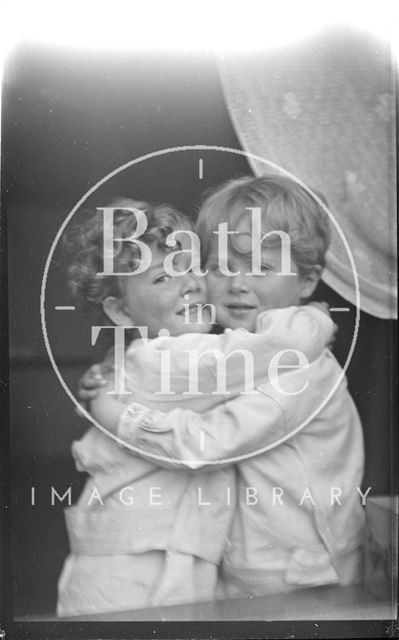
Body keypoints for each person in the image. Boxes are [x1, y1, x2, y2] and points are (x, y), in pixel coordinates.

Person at [82, 176, 366, 601]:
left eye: (262, 267)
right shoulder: (238, 346)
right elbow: (189, 364)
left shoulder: (301, 371)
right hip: (248, 566)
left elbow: (205, 445)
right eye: (219, 267)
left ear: (306, 282)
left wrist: (112, 411)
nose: (237, 283)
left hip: (300, 574)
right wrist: (112, 367)